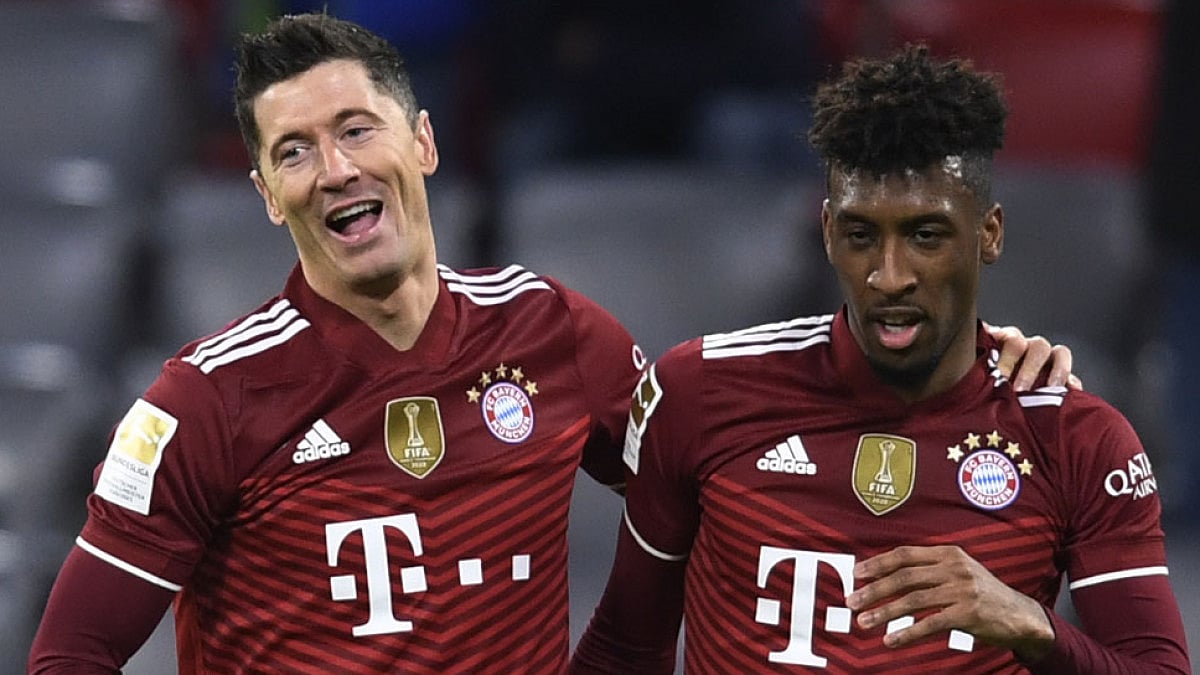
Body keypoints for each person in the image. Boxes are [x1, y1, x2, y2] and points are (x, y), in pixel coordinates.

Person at [26, 15, 1074, 673]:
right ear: (264, 195)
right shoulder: (203, 401)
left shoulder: (551, 331)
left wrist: (963, 370)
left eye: (356, 129)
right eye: (293, 153)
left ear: (422, 143)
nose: (334, 169)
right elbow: (73, 649)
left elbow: (740, 465)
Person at [571, 45, 1190, 674]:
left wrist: (1032, 627)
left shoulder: (1074, 438)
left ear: (990, 234)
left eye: (926, 235)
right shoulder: (698, 393)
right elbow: (624, 649)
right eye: (862, 235)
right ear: (827, 232)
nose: (889, 277)